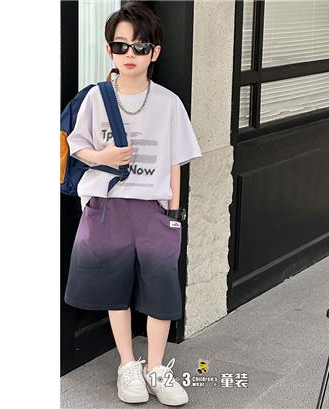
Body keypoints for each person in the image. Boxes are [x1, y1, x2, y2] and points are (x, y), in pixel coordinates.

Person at [63, 1, 202, 406]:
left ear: (154, 52)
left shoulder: (168, 102)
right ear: (109, 50)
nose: (130, 55)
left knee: (161, 290)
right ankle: (128, 364)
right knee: (113, 287)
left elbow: (176, 162)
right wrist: (103, 157)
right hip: (108, 206)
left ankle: (156, 367)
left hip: (154, 209)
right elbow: (76, 146)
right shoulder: (96, 98)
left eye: (140, 47)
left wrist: (173, 213)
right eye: (121, 46)